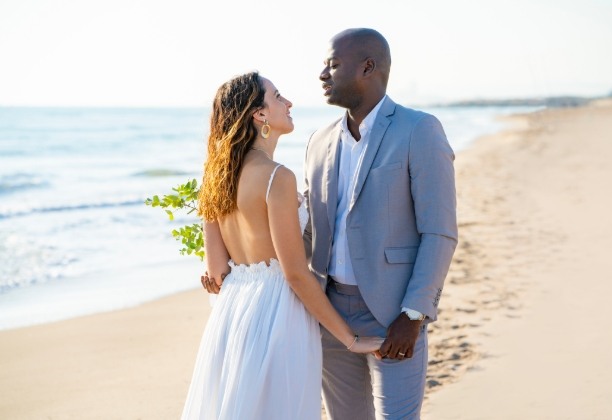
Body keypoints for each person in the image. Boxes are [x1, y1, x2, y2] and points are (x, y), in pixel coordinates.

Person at [181, 71, 382, 420]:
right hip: (278, 313)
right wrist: (350, 340)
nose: (288, 103)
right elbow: (295, 275)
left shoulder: (215, 178)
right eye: (278, 97)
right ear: (259, 114)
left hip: (233, 313)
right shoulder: (277, 176)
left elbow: (216, 272)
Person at [302, 28, 458, 419]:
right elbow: (310, 231)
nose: (322, 74)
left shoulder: (418, 129)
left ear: (367, 66)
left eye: (333, 65)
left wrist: (414, 314)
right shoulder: (317, 142)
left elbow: (438, 231)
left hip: (394, 314)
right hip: (330, 315)